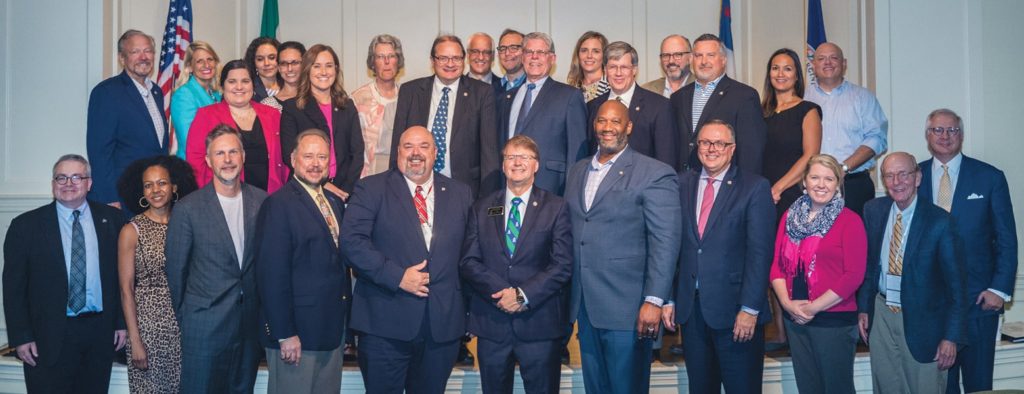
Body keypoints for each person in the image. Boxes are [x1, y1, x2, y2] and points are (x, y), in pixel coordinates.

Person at [341, 126, 474, 393]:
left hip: (442, 330)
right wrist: (397, 277)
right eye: (408, 146)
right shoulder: (371, 188)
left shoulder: (461, 193)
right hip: (384, 326)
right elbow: (351, 244)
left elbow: (470, 255)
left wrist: (470, 314)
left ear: (436, 153)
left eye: (424, 146)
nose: (416, 153)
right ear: (397, 152)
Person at [565, 100, 682, 393]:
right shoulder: (577, 171)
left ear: (628, 127)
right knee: (597, 388)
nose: (607, 128)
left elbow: (665, 241)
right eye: (602, 121)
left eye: (615, 122)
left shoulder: (654, 172)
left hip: (629, 308)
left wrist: (655, 300)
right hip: (585, 306)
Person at [666, 120, 775, 393]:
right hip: (692, 313)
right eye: (705, 142)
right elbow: (669, 247)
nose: (711, 149)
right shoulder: (680, 184)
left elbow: (760, 254)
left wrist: (750, 309)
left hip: (737, 314)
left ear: (732, 148)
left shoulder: (754, 187)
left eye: (719, 143)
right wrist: (667, 297)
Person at [3, 155, 127, 393]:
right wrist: (20, 337)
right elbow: (13, 288)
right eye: (61, 177)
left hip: (99, 334)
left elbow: (121, 278)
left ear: (89, 183)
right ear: (53, 183)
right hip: (46, 338)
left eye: (76, 177)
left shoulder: (113, 220)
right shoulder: (25, 226)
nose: (68, 183)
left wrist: (121, 323)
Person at [460, 135, 573, 393]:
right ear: (503, 165)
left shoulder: (556, 207)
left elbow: (562, 264)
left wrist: (522, 295)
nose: (517, 162)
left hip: (539, 325)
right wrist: (503, 293)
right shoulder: (482, 207)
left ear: (536, 165)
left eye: (524, 157)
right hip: (493, 323)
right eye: (511, 157)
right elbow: (469, 260)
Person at [915, 109, 1018, 394]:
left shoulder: (989, 177)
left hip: (978, 302)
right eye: (937, 130)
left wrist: (999, 289)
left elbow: (1006, 239)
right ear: (927, 135)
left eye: (952, 130)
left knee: (979, 385)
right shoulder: (913, 177)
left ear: (961, 135)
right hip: (932, 307)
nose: (945, 136)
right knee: (940, 387)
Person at [165, 125, 267, 394]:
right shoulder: (188, 208)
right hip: (204, 329)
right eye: (220, 153)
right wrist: (190, 318)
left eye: (233, 151)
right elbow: (176, 273)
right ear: (209, 161)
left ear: (243, 156)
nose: (228, 159)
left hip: (248, 328)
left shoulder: (262, 202)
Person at [855, 152, 966, 393]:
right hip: (882, 314)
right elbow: (869, 265)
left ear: (917, 177)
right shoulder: (873, 211)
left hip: (924, 322)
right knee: (885, 386)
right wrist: (864, 308)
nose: (897, 182)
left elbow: (957, 287)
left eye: (904, 174)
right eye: (890, 176)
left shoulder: (940, 221)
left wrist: (951, 337)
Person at [255, 129, 351, 394]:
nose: (315, 163)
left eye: (321, 157)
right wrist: (285, 333)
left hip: (330, 332)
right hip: (296, 336)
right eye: (308, 156)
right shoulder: (278, 204)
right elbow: (271, 275)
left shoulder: (334, 201)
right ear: (293, 158)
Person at [768, 154, 866, 394]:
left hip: (833, 321)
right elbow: (776, 266)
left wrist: (812, 308)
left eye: (828, 179)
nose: (821, 184)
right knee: (808, 388)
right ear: (804, 182)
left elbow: (853, 276)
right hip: (795, 320)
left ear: (837, 184)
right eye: (815, 177)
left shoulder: (849, 221)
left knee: (836, 389)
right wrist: (786, 304)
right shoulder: (789, 218)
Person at [115, 155, 198, 394]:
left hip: (186, 327)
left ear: (174, 186)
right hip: (148, 330)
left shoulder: (187, 224)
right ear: (142, 191)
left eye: (162, 183)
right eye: (148, 185)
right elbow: (125, 290)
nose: (156, 190)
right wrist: (135, 342)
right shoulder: (132, 230)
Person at [390, 34, 499, 197]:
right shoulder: (410, 91)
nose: (450, 64)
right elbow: (398, 145)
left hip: (465, 189)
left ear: (464, 60)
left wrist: (489, 199)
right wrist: (394, 187)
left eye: (456, 58)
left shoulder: (482, 93)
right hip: (415, 186)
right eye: (443, 58)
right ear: (432, 60)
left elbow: (489, 152)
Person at [497, 32, 588, 196]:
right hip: (509, 187)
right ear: (522, 57)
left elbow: (577, 153)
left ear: (552, 58)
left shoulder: (570, 96)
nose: (534, 57)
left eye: (541, 53)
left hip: (551, 188)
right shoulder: (506, 97)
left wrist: (571, 194)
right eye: (529, 52)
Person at [87, 30, 169, 208]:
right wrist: (109, 198)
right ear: (122, 58)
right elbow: (99, 152)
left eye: (148, 51)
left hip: (153, 196)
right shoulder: (107, 92)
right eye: (135, 52)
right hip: (121, 197)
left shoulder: (156, 92)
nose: (143, 57)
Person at [805, 42, 888, 216]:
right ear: (813, 65)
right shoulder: (802, 98)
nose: (828, 62)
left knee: (854, 241)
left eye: (834, 58)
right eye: (821, 58)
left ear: (844, 63)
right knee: (813, 242)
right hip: (810, 187)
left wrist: (842, 168)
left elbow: (876, 137)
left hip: (853, 185)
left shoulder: (863, 97)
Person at [670, 33, 766, 175]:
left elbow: (751, 152)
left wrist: (744, 190)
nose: (704, 61)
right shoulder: (677, 97)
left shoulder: (744, 96)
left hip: (727, 185)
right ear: (691, 60)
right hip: (684, 183)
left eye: (710, 55)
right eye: (698, 56)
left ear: (723, 60)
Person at [186, 60, 287, 194]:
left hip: (270, 195)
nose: (239, 87)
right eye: (232, 81)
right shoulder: (206, 115)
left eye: (245, 81)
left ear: (253, 85)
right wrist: (210, 195)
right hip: (225, 195)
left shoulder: (272, 114)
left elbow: (284, 158)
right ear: (222, 86)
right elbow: (195, 162)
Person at [280, 44, 365, 200]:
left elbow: (358, 153)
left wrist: (344, 190)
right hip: (306, 190)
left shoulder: (347, 105)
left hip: (345, 191)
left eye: (329, 66)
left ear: (336, 70)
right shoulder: (292, 108)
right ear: (307, 70)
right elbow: (289, 155)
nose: (324, 72)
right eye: (317, 66)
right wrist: (323, 184)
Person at [587, 41, 679, 167]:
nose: (618, 73)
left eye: (624, 67)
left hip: (642, 184)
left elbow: (666, 162)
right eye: (613, 67)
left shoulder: (659, 107)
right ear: (605, 70)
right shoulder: (593, 106)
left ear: (634, 70)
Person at [761, 48, 822, 220]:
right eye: (775, 68)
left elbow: (811, 155)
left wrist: (778, 188)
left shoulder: (808, 110)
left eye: (787, 69)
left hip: (790, 194)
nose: (780, 74)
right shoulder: (758, 112)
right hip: (760, 193)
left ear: (796, 76)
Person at [352, 34, 404, 177]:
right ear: (373, 62)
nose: (386, 61)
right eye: (380, 57)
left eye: (391, 56)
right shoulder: (357, 98)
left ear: (398, 60)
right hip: (367, 176)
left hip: (402, 176)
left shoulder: (408, 96)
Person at [171, 41, 222, 159]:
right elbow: (189, 139)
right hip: (193, 164)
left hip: (215, 162)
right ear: (189, 67)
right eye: (199, 61)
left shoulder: (217, 94)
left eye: (210, 59)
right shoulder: (183, 95)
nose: (207, 65)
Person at [260, 41, 306, 111]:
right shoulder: (268, 105)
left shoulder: (318, 98)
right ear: (278, 67)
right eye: (284, 63)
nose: (290, 69)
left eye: (295, 63)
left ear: (305, 64)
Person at [566, 31, 609, 102]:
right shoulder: (572, 86)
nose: (589, 56)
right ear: (578, 55)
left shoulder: (612, 85)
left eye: (596, 51)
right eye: (584, 50)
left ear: (604, 55)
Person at [245, 36, 282, 102]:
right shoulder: (246, 88)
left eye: (272, 57)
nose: (266, 63)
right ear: (253, 62)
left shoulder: (289, 85)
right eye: (260, 59)